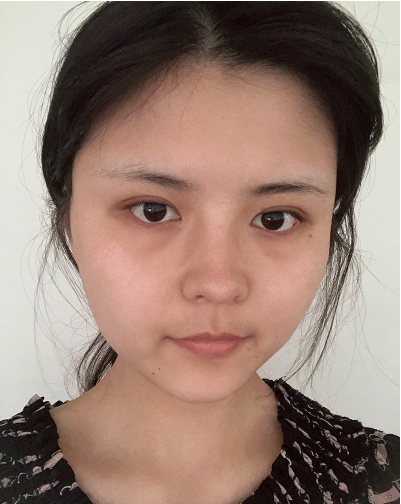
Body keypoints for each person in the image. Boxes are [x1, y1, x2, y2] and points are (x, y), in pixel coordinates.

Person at [0, 2, 399, 504]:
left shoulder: (381, 482)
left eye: (276, 218)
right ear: (69, 220)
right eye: (152, 210)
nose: (218, 283)